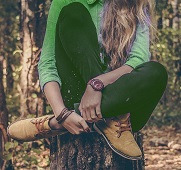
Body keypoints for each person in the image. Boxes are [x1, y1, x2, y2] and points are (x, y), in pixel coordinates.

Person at [8, 0, 168, 160]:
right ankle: (97, 118)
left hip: (121, 104)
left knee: (156, 72)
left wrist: (96, 84)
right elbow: (48, 63)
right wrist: (61, 111)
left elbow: (138, 59)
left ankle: (54, 125)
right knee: (73, 12)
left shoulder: (137, 3)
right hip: (78, 93)